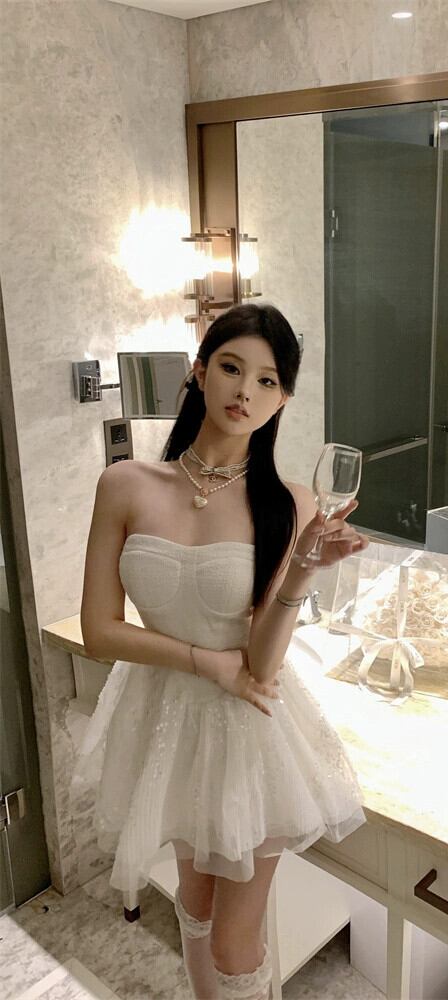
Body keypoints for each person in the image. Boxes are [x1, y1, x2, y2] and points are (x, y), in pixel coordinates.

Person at [75, 304, 368, 1000]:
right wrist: (208, 664)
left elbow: (262, 666)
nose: (245, 392)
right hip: (166, 716)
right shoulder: (126, 484)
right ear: (199, 372)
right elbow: (98, 631)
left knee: (237, 942)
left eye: (268, 381)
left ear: (283, 400)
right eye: (232, 368)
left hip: (249, 730)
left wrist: (302, 569)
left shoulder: (290, 502)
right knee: (196, 902)